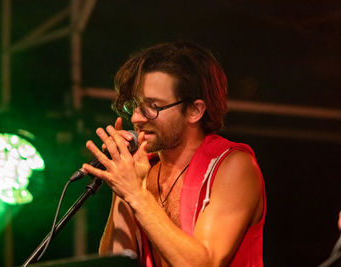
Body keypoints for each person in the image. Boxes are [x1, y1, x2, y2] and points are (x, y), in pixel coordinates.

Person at [82, 42, 266, 267]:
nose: (137, 118)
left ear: (194, 111)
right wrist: (121, 182)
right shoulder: (143, 171)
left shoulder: (233, 165)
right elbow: (116, 263)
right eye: (135, 106)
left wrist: (136, 195)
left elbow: (204, 264)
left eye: (152, 106)